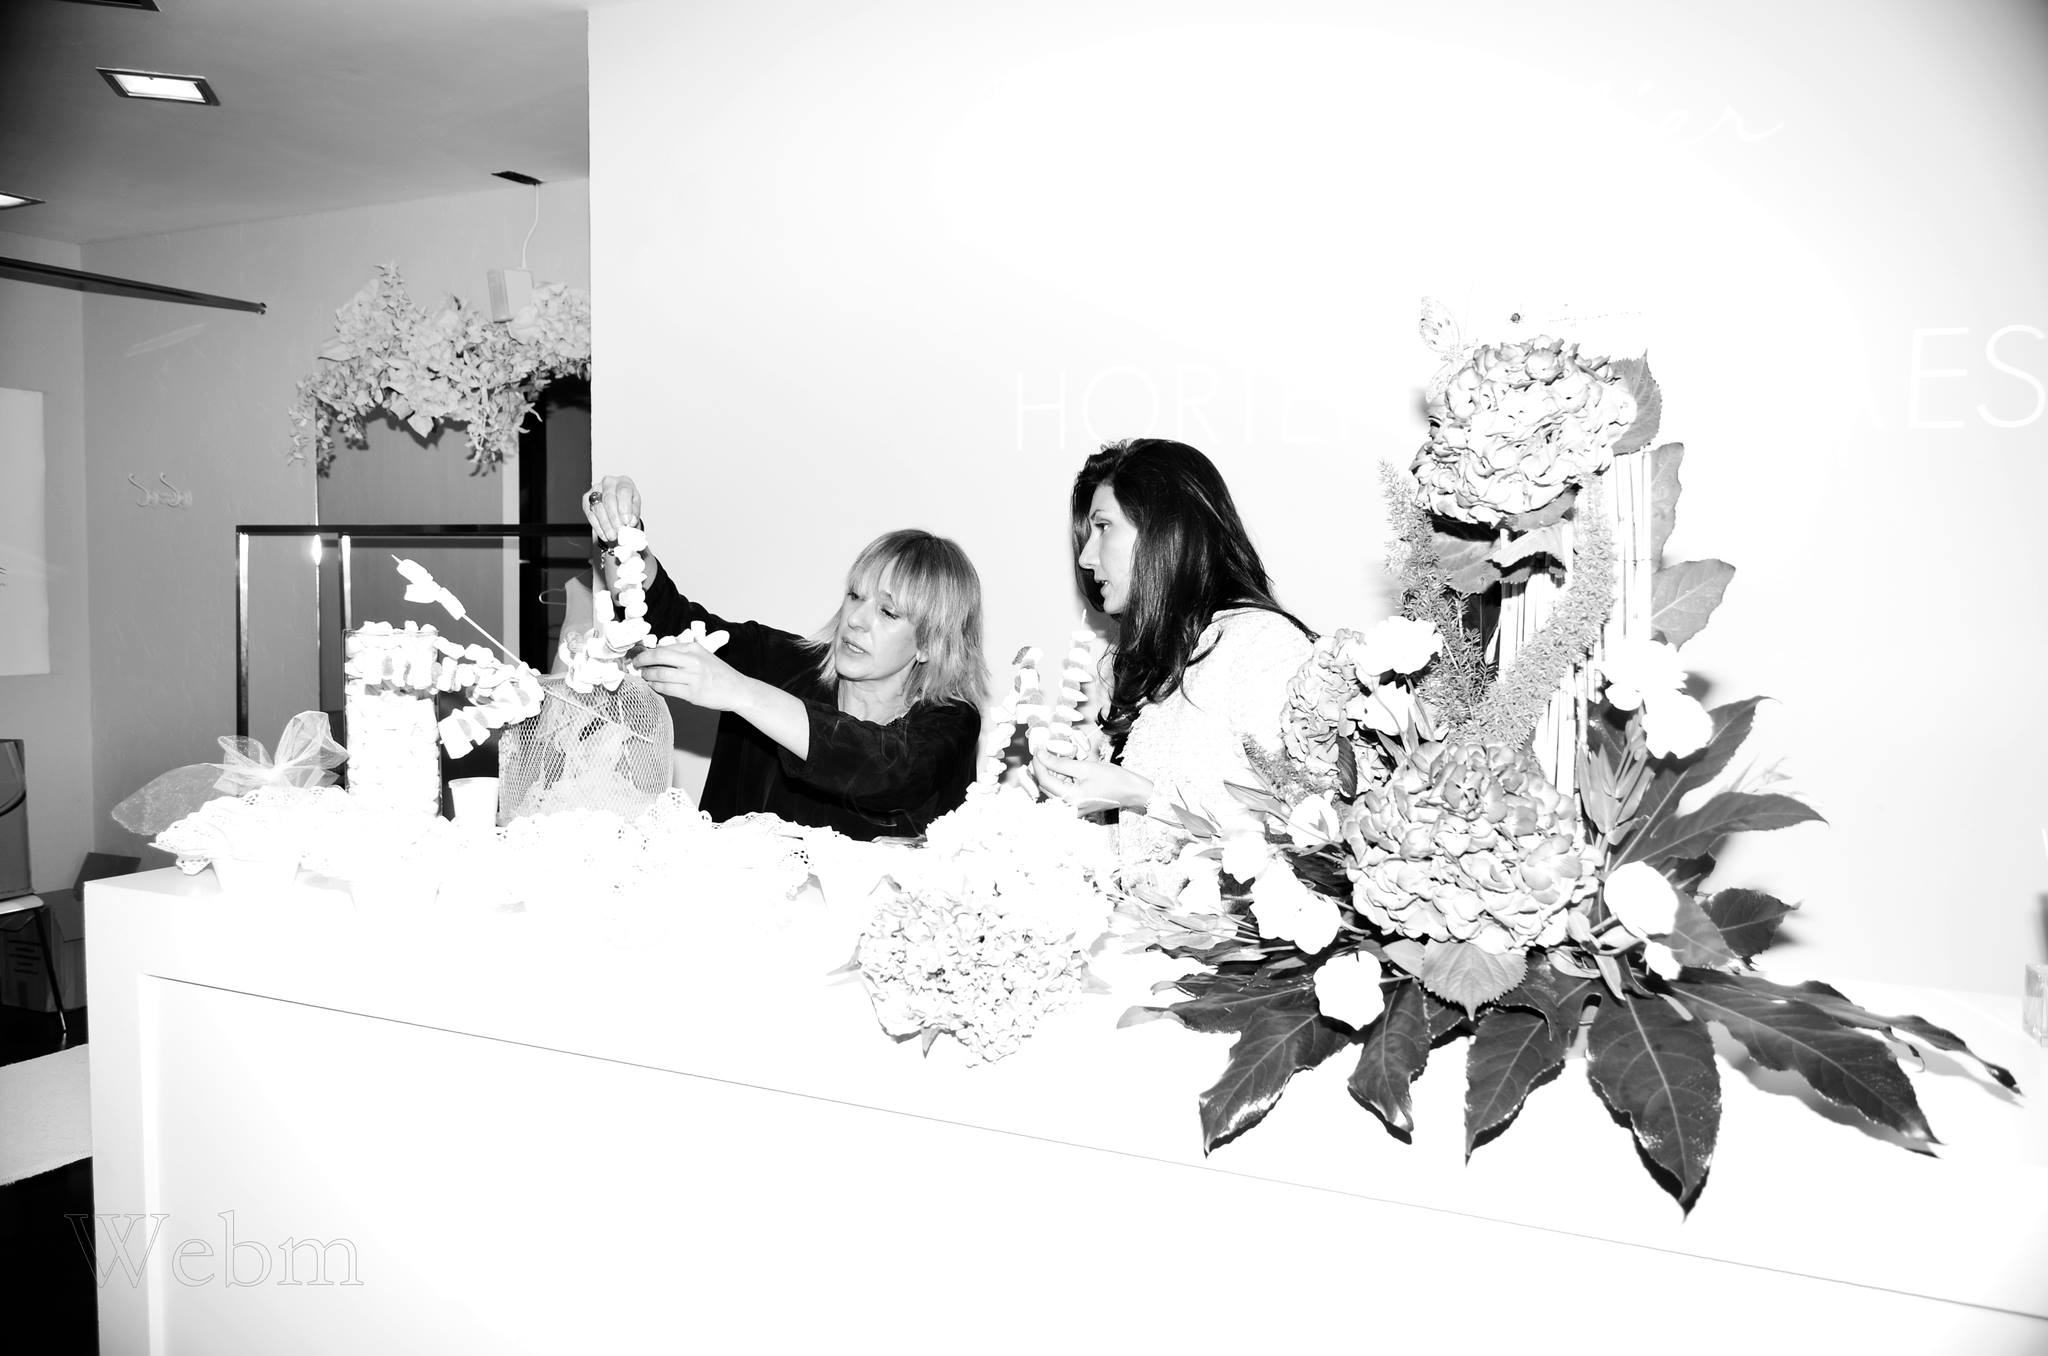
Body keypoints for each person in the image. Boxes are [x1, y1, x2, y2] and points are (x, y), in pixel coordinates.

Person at [583, 475, 986, 840]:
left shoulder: (950, 722)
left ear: (929, 643)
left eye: (888, 612)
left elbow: (887, 769)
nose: (856, 619)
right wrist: (620, 534)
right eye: (855, 595)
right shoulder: (778, 662)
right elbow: (667, 620)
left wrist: (741, 692)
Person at [1031, 439, 1313, 864]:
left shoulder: (1263, 642)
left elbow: (1300, 831)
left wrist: (1139, 794)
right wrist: (1093, 793)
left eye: (1103, 527)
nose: (1087, 557)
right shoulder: (1143, 662)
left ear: (1166, 532)